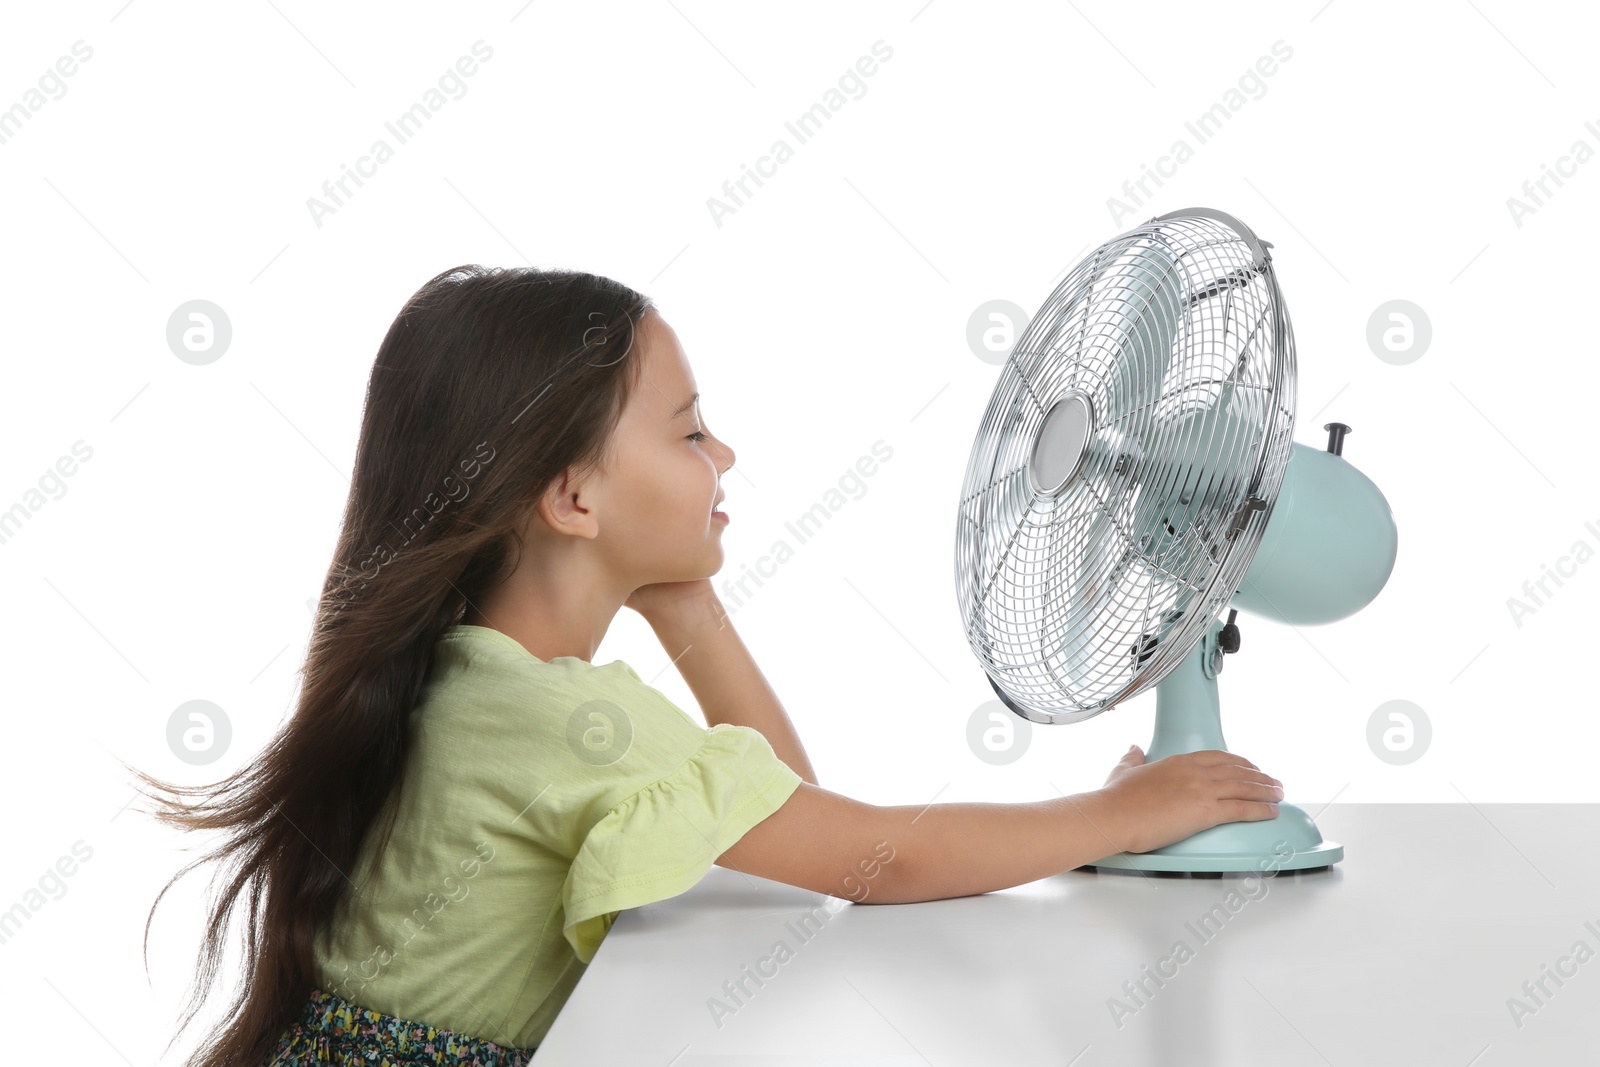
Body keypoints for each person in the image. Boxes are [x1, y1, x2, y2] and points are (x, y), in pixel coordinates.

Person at [124, 265, 1283, 1067]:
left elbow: (782, 802)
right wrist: (1116, 813)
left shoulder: (467, 675)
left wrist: (685, 603)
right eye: (687, 430)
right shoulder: (564, 718)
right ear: (574, 496)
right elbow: (874, 857)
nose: (723, 452)